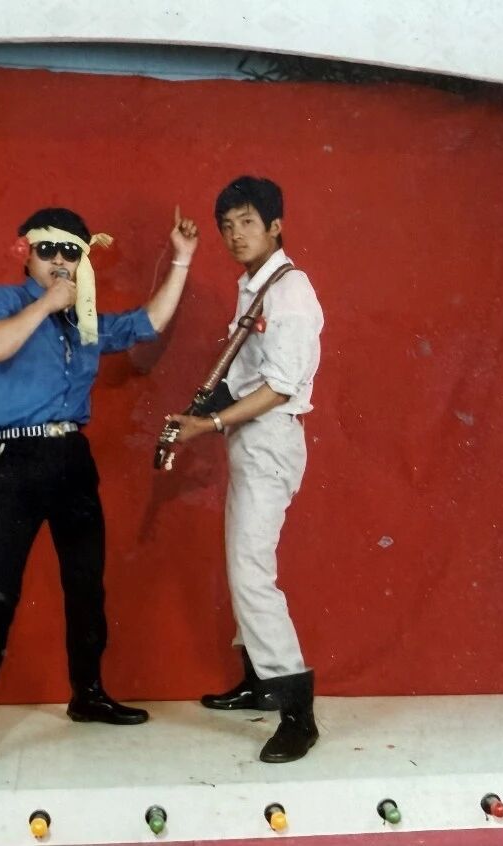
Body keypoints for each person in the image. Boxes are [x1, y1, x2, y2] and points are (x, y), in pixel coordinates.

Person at [0, 205, 199, 781]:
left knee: (85, 586)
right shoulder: (6, 300)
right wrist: (47, 304)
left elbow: (148, 323)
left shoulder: (87, 319)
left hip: (71, 458)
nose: (59, 260)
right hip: (16, 460)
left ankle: (88, 695)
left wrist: (181, 259)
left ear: (83, 259)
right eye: (48, 249)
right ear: (26, 252)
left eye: (71, 252)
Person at [164, 176, 323, 763]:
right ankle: (259, 680)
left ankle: (298, 714)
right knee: (242, 564)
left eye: (247, 222)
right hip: (250, 439)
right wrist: (197, 413)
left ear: (276, 226)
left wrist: (208, 424)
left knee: (252, 571)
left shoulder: (290, 292)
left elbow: (279, 387)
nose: (235, 235)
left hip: (270, 437)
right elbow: (244, 371)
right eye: (226, 226)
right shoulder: (254, 285)